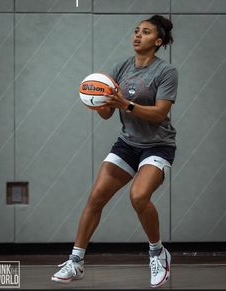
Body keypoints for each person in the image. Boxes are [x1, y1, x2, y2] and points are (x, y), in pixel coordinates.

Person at [51, 14, 178, 288]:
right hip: (128, 143)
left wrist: (125, 105)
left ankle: (158, 252)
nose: (137, 35)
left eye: (145, 32)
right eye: (136, 31)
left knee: (139, 196)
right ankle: (76, 261)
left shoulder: (166, 72)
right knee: (96, 196)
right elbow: (109, 113)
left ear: (157, 41)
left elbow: (159, 114)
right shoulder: (121, 67)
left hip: (158, 145)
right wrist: (97, 103)